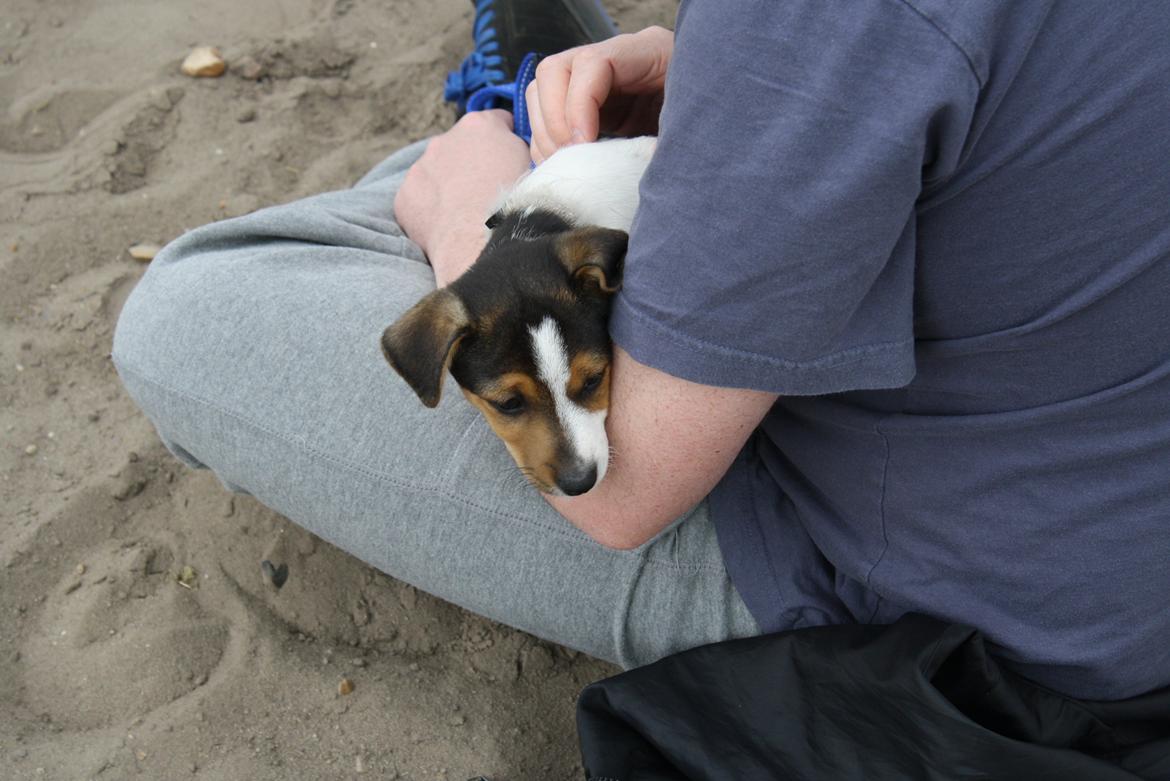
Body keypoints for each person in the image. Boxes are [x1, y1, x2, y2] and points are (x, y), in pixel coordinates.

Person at [114, 0, 1170, 702]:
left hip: (963, 622)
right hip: (1105, 487)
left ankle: (492, 125)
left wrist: (470, 225)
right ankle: (507, 133)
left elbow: (613, 491)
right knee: (526, 182)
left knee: (197, 298)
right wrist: (720, 82)